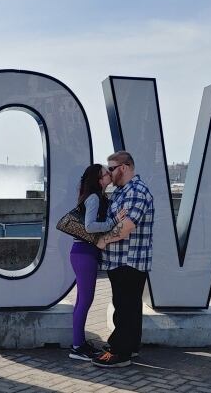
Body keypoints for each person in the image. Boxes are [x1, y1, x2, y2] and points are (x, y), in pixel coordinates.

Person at [92, 151, 154, 368]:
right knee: (130, 306)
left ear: (124, 167)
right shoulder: (121, 192)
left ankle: (120, 353)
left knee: (125, 307)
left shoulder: (137, 191)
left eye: (111, 168)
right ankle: (131, 347)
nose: (109, 173)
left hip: (130, 260)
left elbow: (126, 228)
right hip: (120, 260)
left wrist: (103, 241)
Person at [68, 164, 127, 361]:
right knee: (85, 301)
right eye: (105, 173)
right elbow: (90, 226)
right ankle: (77, 348)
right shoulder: (93, 198)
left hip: (84, 254)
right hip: (84, 254)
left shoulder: (97, 196)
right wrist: (113, 222)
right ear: (98, 179)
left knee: (82, 301)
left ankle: (79, 343)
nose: (109, 175)